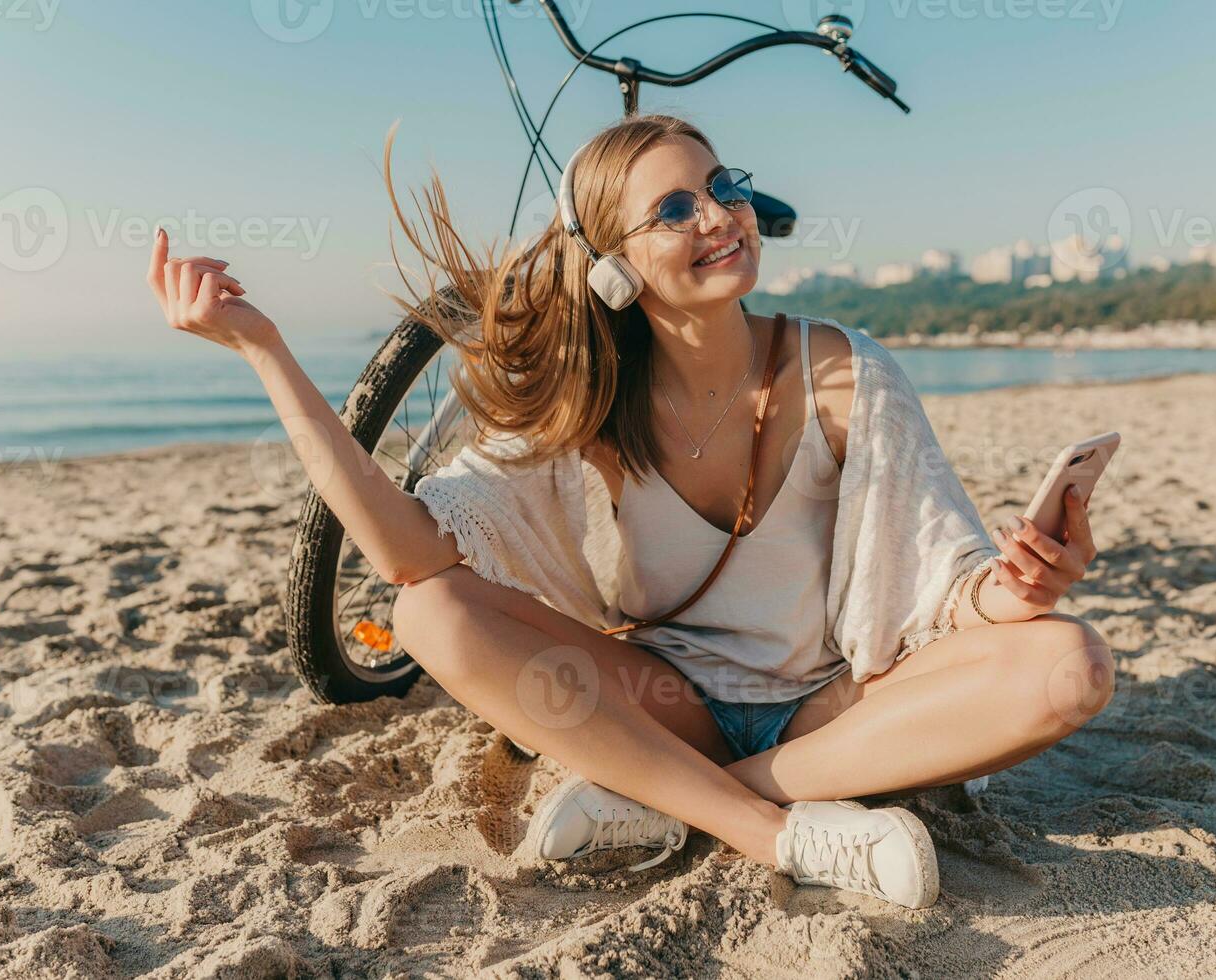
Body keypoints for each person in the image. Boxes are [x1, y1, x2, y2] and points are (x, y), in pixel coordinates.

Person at [144, 113, 1114, 909]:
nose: (720, 216)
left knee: (1070, 661)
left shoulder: (841, 370)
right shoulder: (593, 408)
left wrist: (1019, 585)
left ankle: (673, 800)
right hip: (670, 704)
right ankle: (776, 832)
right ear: (613, 267)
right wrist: (266, 350)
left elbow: (946, 593)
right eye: (675, 208)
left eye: (723, 185)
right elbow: (408, 553)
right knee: (426, 610)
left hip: (841, 707)